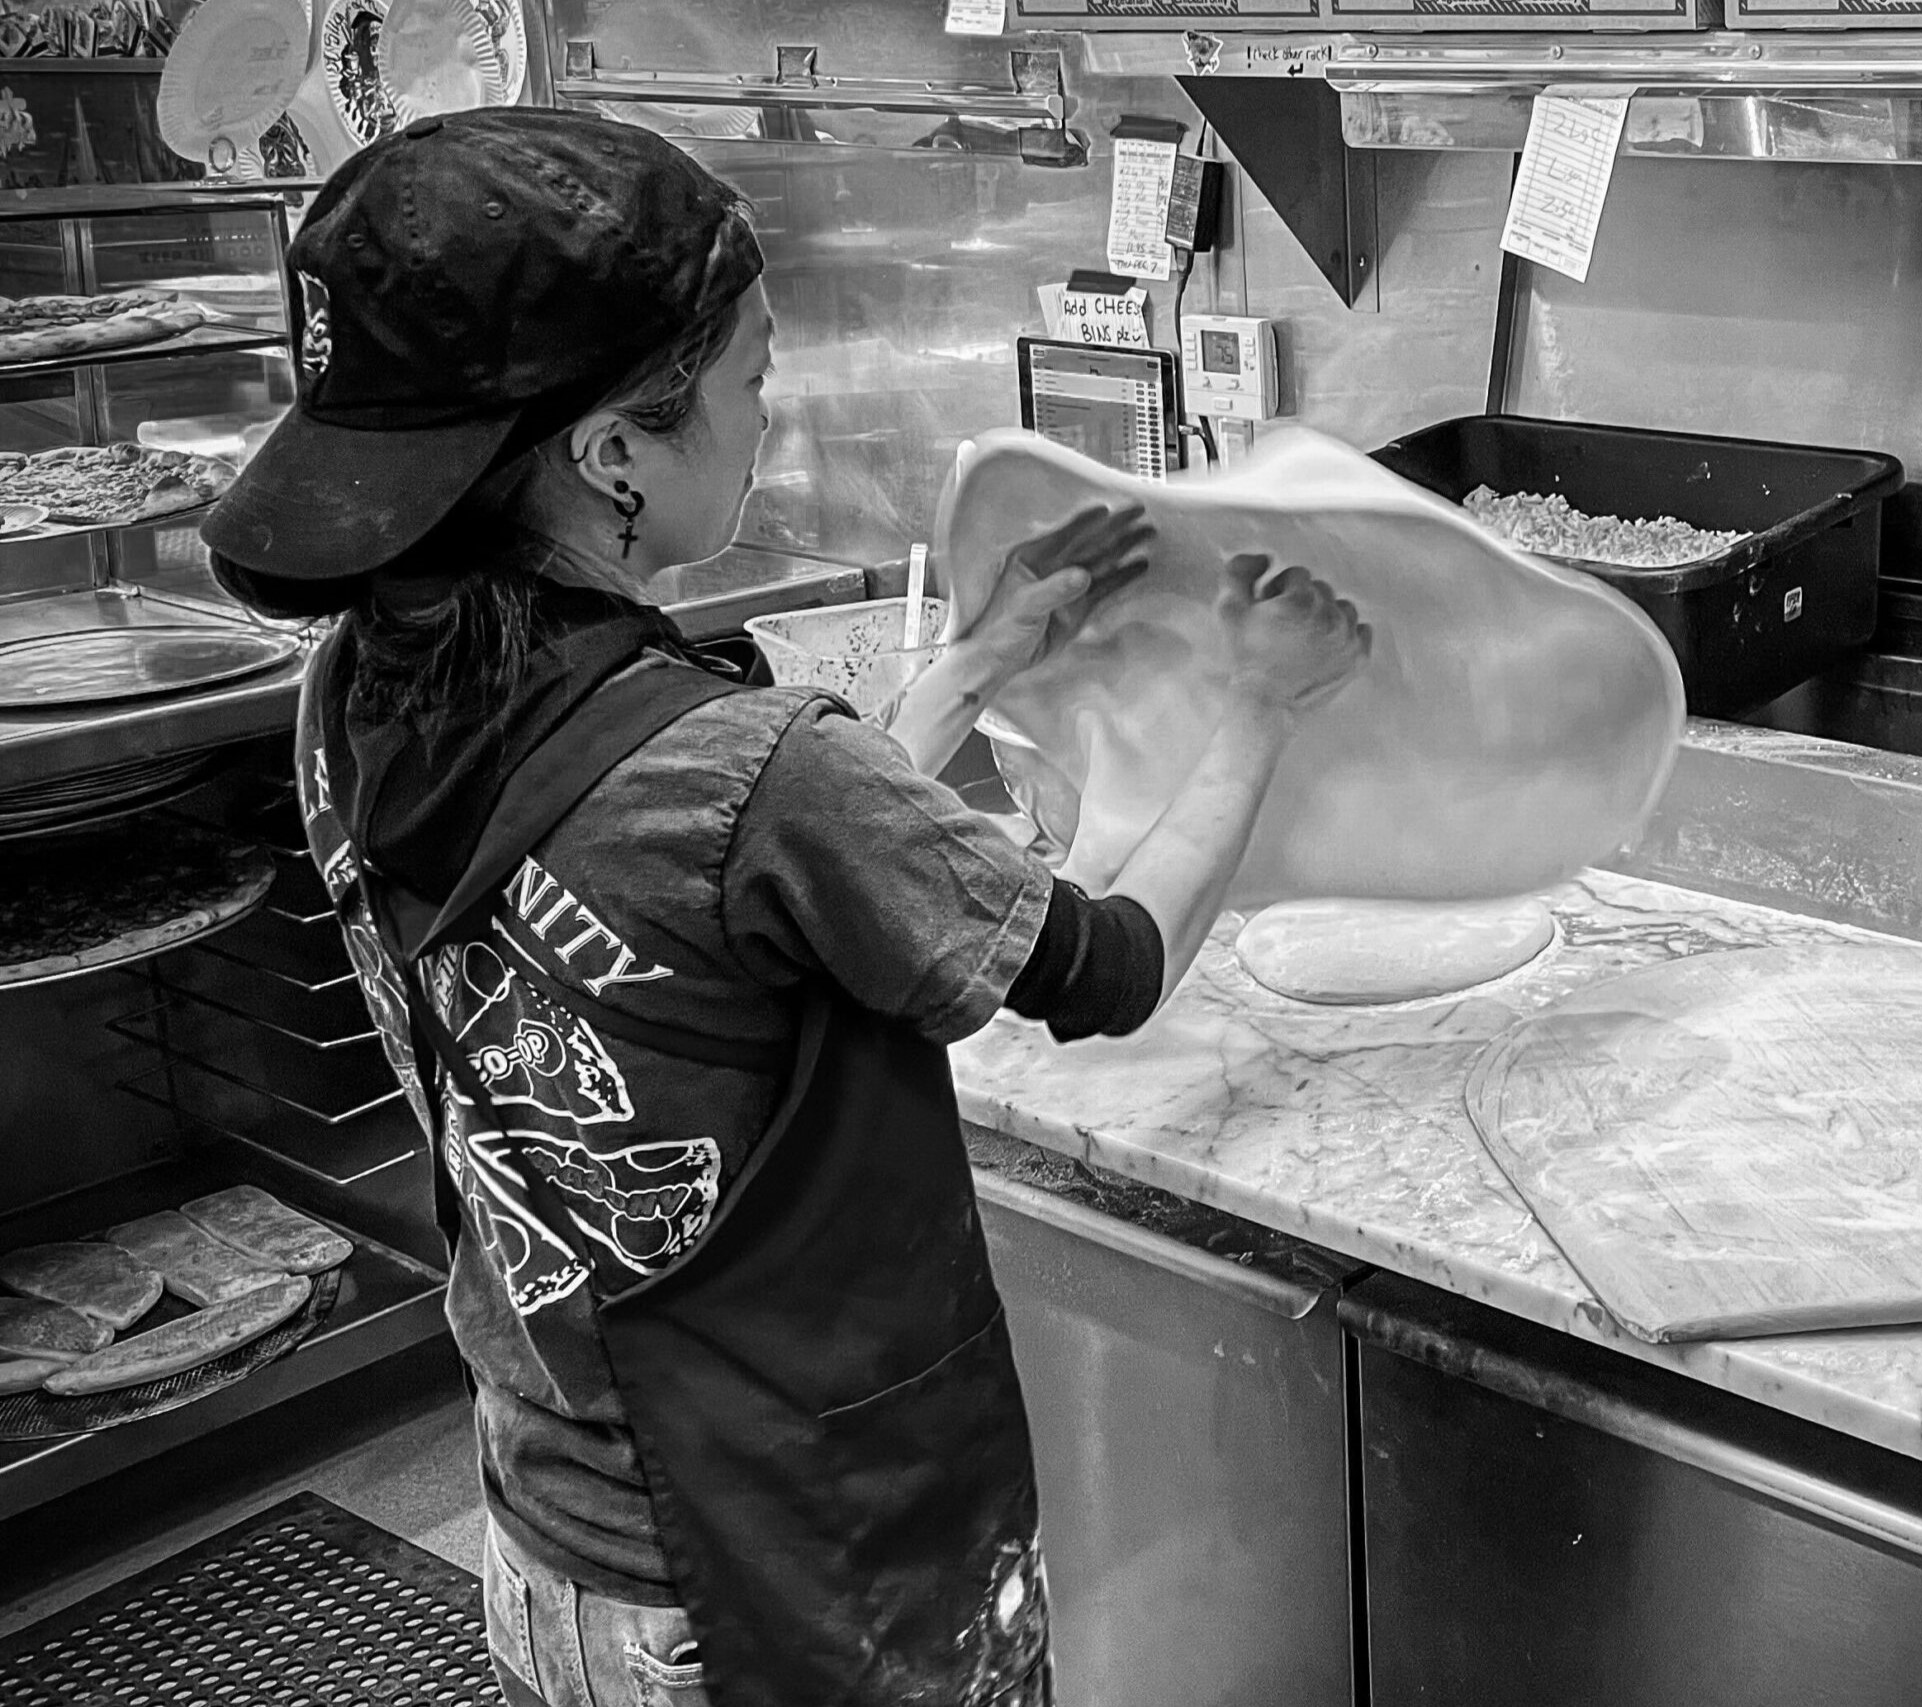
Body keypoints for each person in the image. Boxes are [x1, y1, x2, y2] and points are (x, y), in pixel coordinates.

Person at [204, 108, 1370, 1707]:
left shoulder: (361, 684)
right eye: (754, 378)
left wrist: (969, 666)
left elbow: (707, 895)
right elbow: (1100, 963)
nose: (773, 412)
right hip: (784, 1573)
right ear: (613, 452)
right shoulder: (751, 770)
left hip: (552, 1526)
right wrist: (1257, 704)